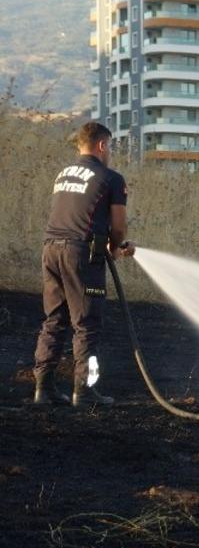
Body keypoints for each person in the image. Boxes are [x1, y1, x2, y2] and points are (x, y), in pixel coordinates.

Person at [32, 121, 136, 407]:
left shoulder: (63, 174)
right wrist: (115, 249)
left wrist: (105, 244)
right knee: (87, 324)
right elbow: (118, 227)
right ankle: (84, 390)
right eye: (111, 146)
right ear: (102, 145)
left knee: (54, 320)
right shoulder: (111, 178)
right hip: (80, 256)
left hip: (51, 250)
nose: (111, 152)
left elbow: (76, 216)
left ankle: (43, 389)